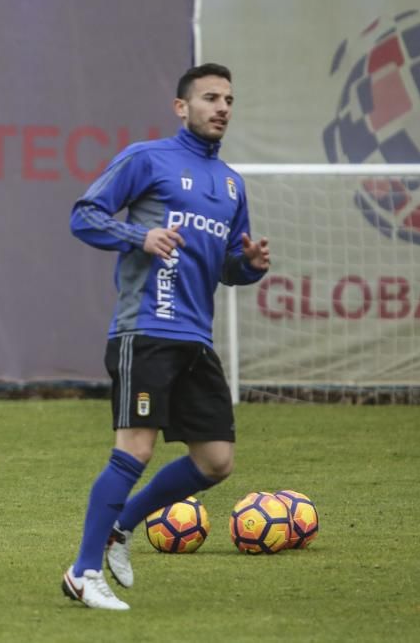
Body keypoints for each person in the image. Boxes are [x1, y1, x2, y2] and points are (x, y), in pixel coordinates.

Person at [62, 63, 270, 609]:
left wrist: (249, 265)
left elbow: (227, 267)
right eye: (209, 97)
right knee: (135, 448)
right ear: (182, 107)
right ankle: (82, 573)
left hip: (195, 339)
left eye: (228, 98)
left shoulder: (231, 184)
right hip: (145, 329)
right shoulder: (147, 158)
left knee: (216, 461)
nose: (222, 107)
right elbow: (83, 216)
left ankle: (122, 525)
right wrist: (141, 234)